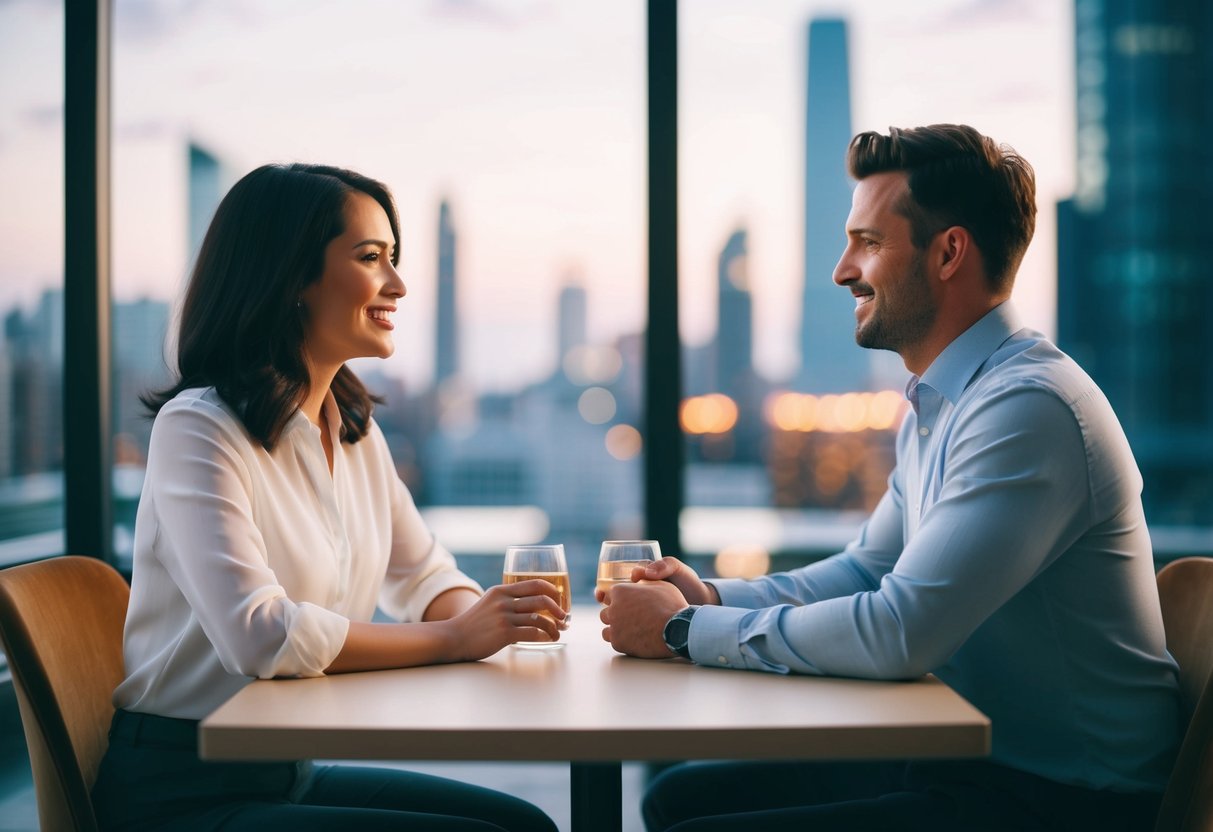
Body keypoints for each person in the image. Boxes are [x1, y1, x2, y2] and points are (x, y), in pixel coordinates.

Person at [599, 125, 1180, 831]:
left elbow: (899, 630)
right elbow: (869, 570)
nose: (843, 269)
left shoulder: (1029, 409)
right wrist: (712, 594)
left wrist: (686, 629)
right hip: (971, 764)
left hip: (1069, 800)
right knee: (675, 798)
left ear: (947, 253)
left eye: (868, 243)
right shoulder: (942, 402)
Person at [91, 163, 564, 831]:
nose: (397, 285)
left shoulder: (353, 434)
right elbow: (258, 636)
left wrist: (497, 619)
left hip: (288, 769)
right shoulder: (197, 428)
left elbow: (422, 575)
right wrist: (455, 638)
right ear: (290, 279)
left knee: (525, 825)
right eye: (370, 258)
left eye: (394, 260)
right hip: (183, 793)